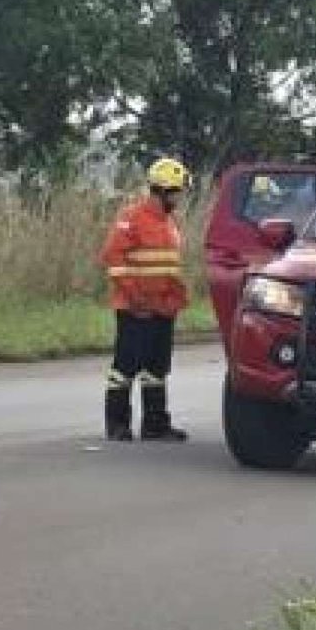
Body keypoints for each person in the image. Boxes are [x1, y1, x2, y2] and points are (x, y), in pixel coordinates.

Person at [100, 158, 193, 443]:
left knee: (157, 368)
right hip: (135, 307)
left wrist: (175, 296)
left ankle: (155, 424)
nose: (179, 198)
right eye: (177, 192)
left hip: (163, 308)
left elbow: (167, 265)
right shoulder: (132, 217)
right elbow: (113, 258)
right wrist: (135, 296)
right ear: (163, 191)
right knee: (125, 367)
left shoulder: (169, 222)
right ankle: (117, 425)